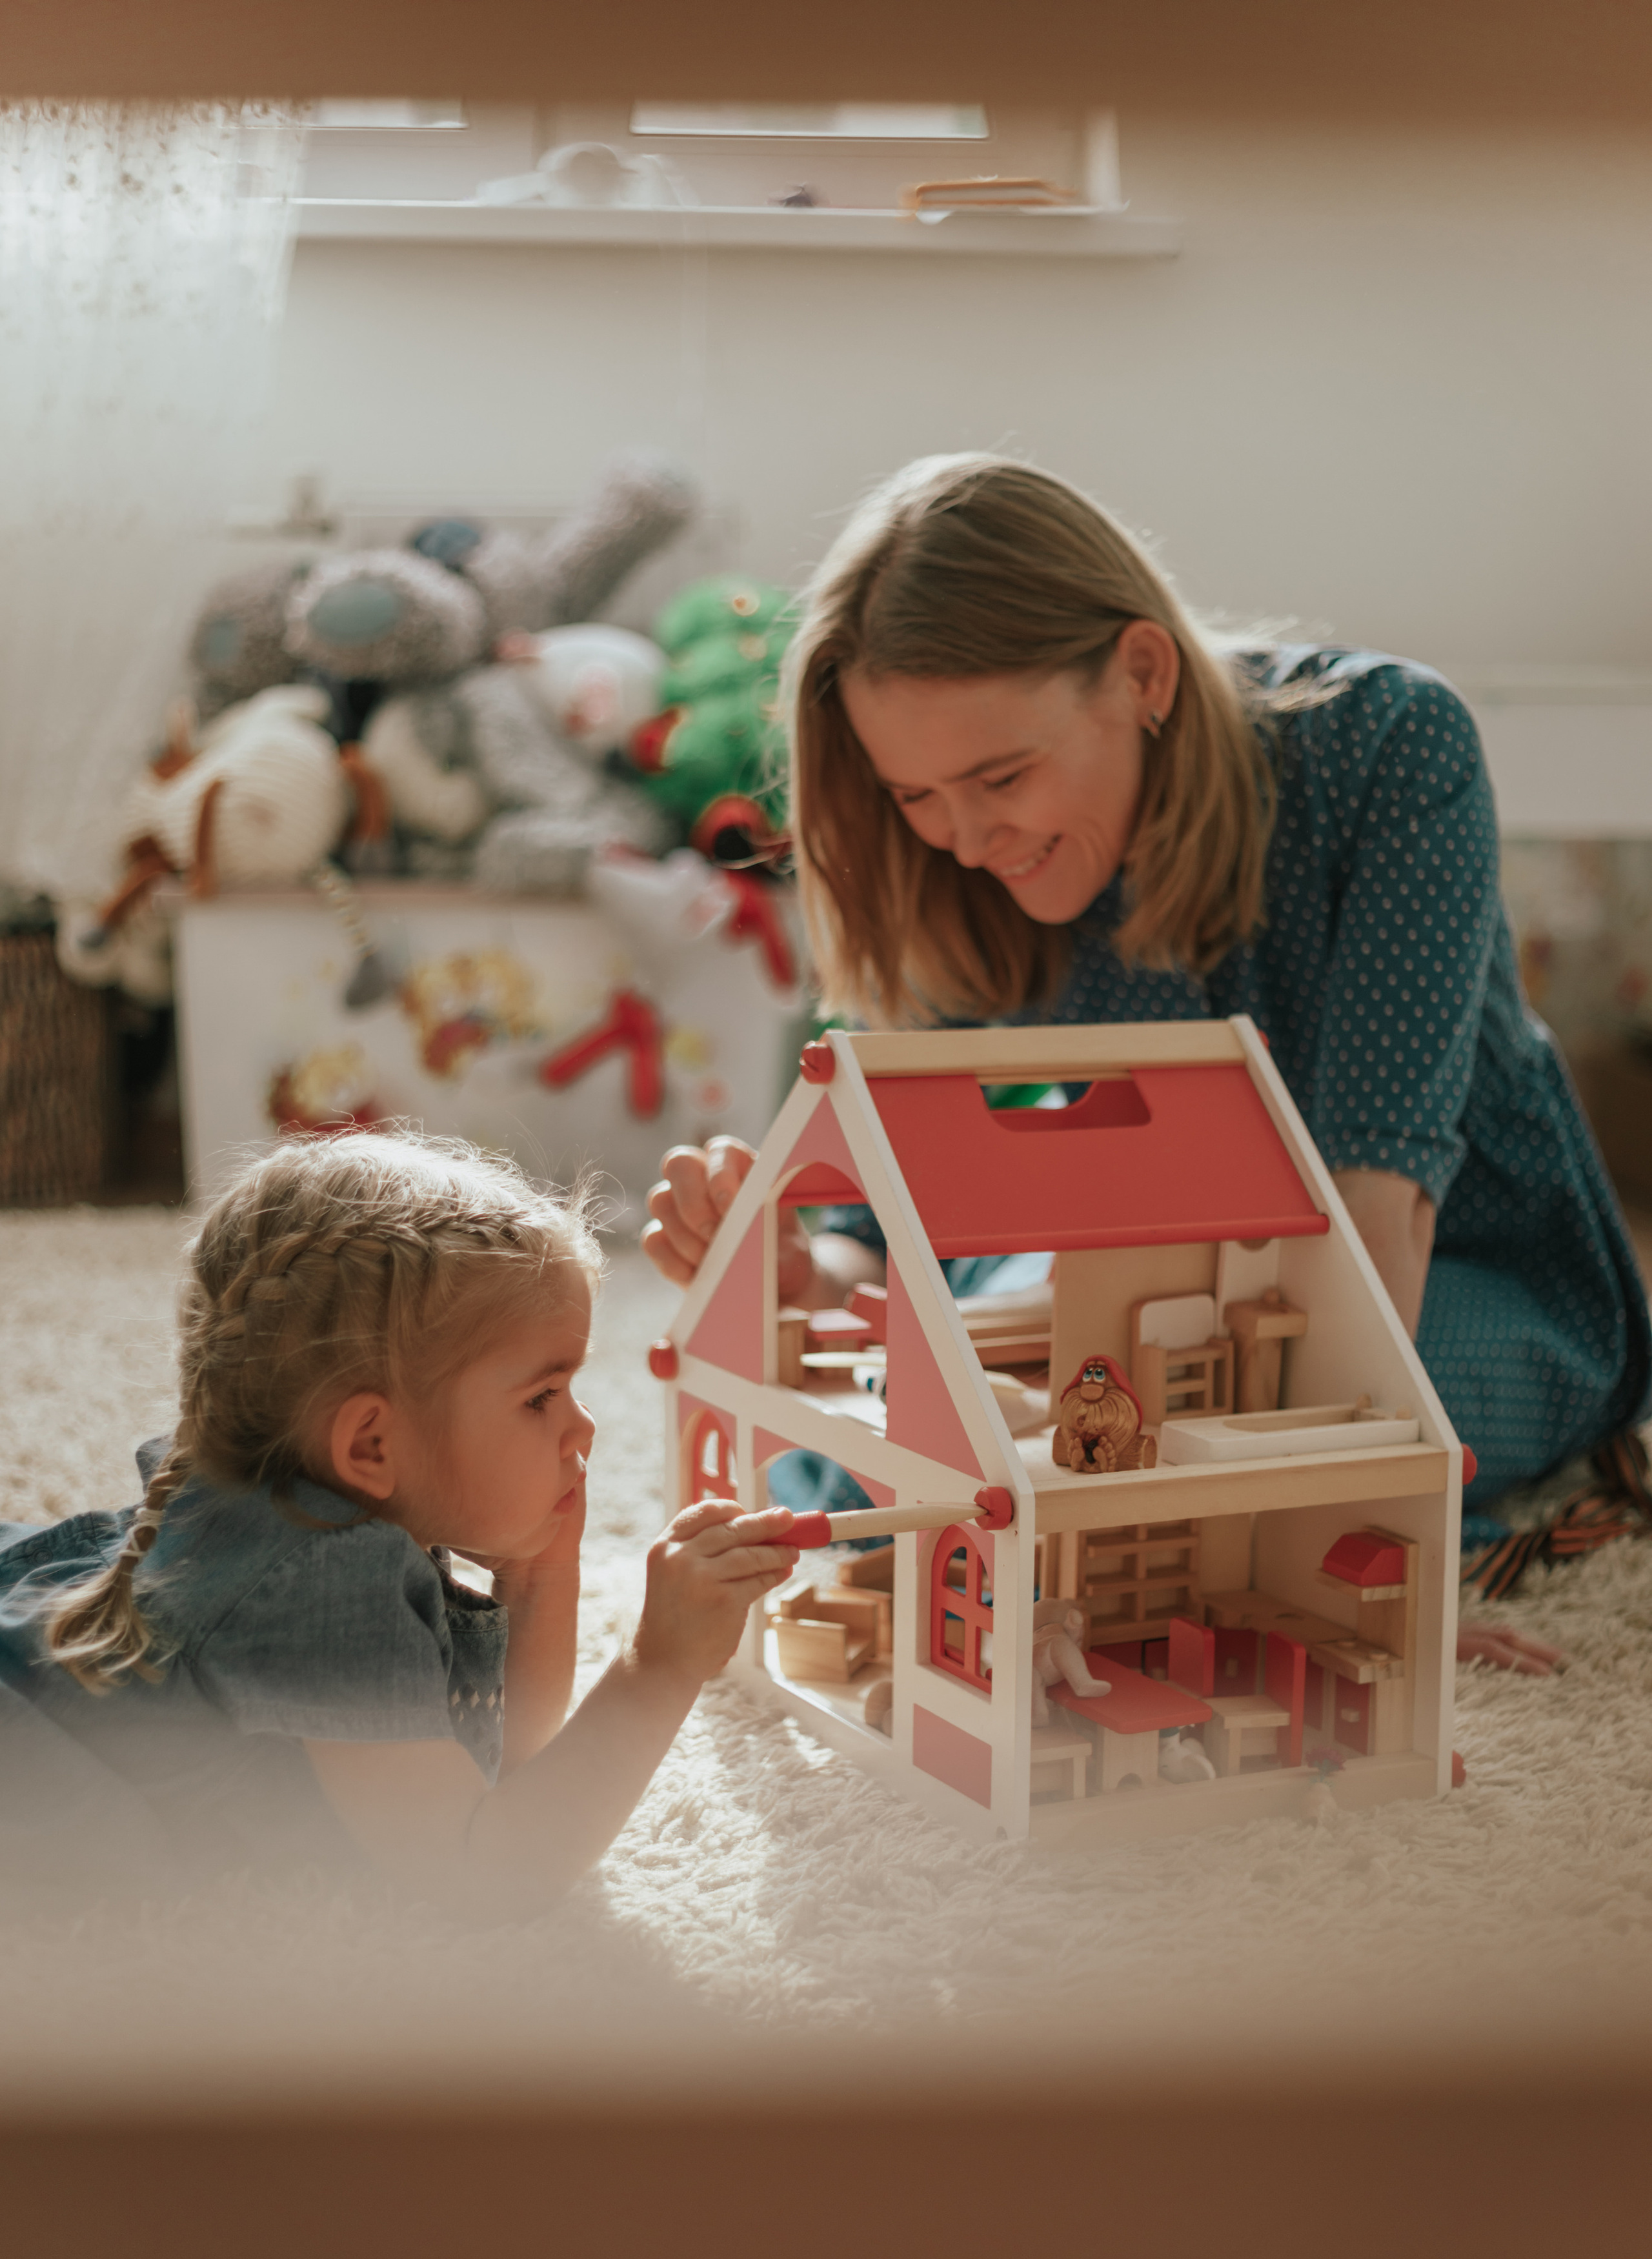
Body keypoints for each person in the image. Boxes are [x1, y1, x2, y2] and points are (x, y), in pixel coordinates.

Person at [644, 454, 1651, 1674]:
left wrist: (1332, 1554)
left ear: (1142, 673)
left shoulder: (1393, 744)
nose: (963, 838)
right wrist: (810, 1269)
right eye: (916, 793)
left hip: (1459, 1263)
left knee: (1146, 1426)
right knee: (955, 1403)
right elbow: (875, 1221)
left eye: (1000, 777)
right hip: (1142, 1263)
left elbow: (1377, 1198)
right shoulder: (962, 864)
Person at [0, 1130, 798, 1911]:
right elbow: (484, 1873)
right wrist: (658, 1667)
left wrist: (540, 1568)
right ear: (371, 1445)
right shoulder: (320, 1578)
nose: (582, 1428)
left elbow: (509, 1754)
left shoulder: (318, 1505)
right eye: (541, 1397)